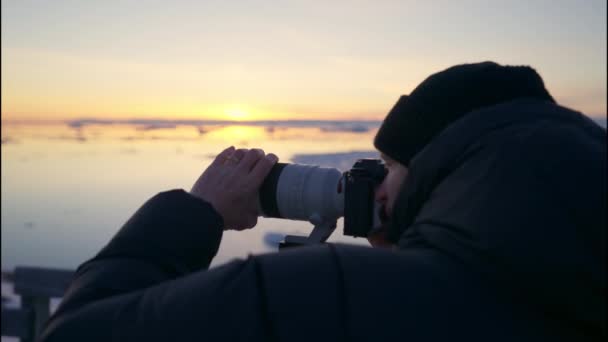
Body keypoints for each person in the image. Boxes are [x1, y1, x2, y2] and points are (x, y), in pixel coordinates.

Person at [39, 61, 606, 341]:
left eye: (389, 169)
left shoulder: (326, 294)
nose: (375, 188)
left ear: (442, 167)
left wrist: (195, 213)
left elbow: (77, 335)